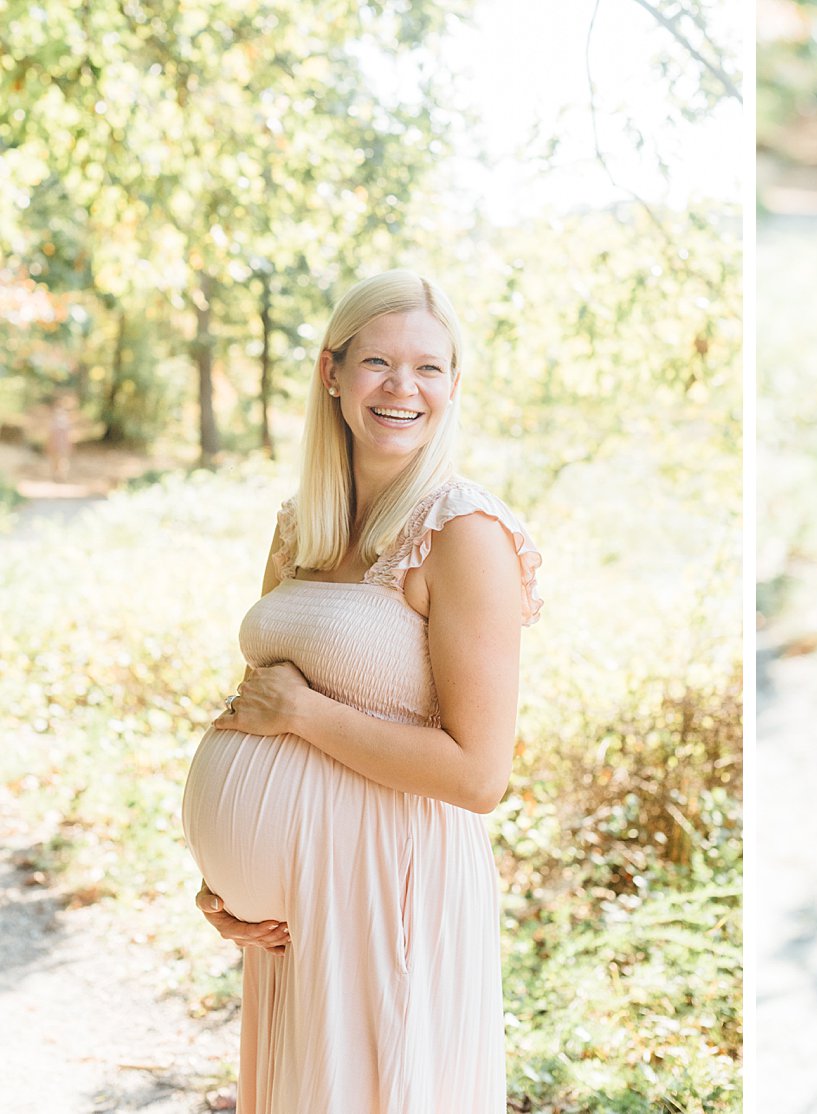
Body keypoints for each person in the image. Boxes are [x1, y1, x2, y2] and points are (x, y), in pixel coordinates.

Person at [180, 270, 542, 1113]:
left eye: (428, 368)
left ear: (454, 386)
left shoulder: (463, 533)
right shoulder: (298, 523)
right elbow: (255, 704)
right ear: (330, 373)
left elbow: (478, 776)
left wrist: (306, 715)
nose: (402, 388)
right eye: (378, 361)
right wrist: (225, 884)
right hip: (290, 922)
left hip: (390, 890)